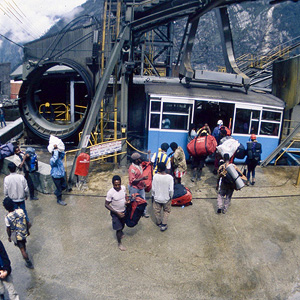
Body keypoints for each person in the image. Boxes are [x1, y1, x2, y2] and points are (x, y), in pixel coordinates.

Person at [3, 197, 33, 269]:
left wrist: (9, 237)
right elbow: (26, 222)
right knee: (24, 244)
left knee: (22, 250)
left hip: (16, 236)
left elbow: (8, 229)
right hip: (23, 231)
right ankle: (25, 252)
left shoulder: (7, 218)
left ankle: (28, 262)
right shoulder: (20, 211)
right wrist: (27, 231)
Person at [105, 175, 129, 251]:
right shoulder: (110, 193)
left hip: (124, 211)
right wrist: (116, 212)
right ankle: (119, 243)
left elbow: (125, 196)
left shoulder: (123, 188)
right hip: (115, 213)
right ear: (113, 184)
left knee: (123, 225)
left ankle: (121, 232)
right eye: (115, 185)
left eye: (119, 184)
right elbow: (106, 204)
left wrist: (127, 201)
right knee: (118, 229)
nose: (117, 186)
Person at [152, 162, 174, 232]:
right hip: (166, 198)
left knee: (157, 211)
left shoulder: (155, 176)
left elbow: (153, 188)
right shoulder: (170, 178)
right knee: (166, 211)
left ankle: (159, 222)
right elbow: (171, 190)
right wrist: (171, 197)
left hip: (157, 198)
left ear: (159, 169)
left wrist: (153, 196)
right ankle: (164, 225)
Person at [128, 152, 148, 217]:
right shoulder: (132, 168)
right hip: (134, 188)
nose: (141, 159)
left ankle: (143, 212)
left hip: (141, 187)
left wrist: (143, 182)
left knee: (143, 200)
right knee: (133, 200)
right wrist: (143, 178)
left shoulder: (140, 165)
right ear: (136, 160)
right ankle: (132, 213)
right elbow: (133, 181)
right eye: (139, 158)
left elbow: (140, 175)